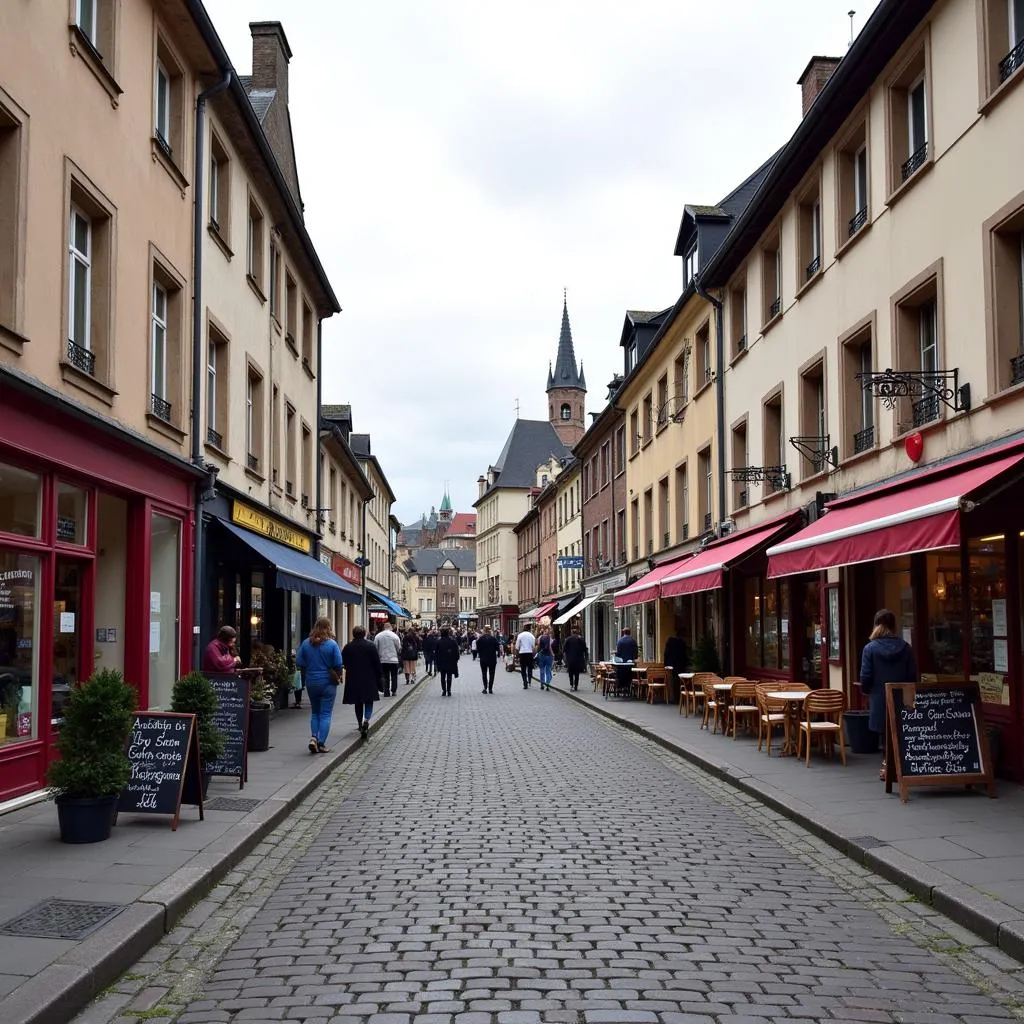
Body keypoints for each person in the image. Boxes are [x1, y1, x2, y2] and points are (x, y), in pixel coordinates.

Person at [859, 608, 918, 780]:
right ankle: (904, 765)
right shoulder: (906, 648)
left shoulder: (870, 649)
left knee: (885, 735)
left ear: (876, 626)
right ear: (893, 626)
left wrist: (866, 691)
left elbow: (866, 676)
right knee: (902, 732)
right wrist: (910, 700)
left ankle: (887, 766)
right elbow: (912, 676)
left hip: (880, 698)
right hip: (903, 696)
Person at [295, 617, 343, 754]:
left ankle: (313, 737)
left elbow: (299, 662)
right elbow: (338, 664)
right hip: (327, 682)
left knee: (315, 712)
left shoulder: (306, 643)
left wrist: (311, 665)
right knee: (326, 713)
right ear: (329, 628)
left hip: (311, 681)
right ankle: (321, 743)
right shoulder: (332, 644)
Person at [341, 625, 383, 741]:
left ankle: (360, 723)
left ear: (353, 634)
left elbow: (343, 661)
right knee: (368, 701)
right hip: (369, 678)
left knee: (358, 702)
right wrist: (379, 676)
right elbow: (376, 663)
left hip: (354, 678)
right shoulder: (370, 646)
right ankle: (367, 720)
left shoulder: (348, 647)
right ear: (364, 634)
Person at [374, 618, 402, 697]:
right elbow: (398, 647)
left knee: (385, 676)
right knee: (394, 676)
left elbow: (375, 647)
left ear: (384, 627)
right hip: (393, 659)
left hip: (383, 659)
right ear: (390, 627)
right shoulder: (395, 636)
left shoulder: (378, 636)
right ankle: (393, 690)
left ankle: (386, 691)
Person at [435, 625, 460, 697]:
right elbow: (456, 652)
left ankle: (444, 691)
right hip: (450, 661)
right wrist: (456, 659)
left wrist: (437, 662)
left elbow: (436, 653)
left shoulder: (438, 642)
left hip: (442, 662)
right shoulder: (453, 641)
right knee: (449, 676)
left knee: (442, 676)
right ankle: (449, 690)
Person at [476, 624, 500, 693]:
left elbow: (477, 648)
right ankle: (490, 688)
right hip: (492, 659)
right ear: (490, 631)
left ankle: (485, 688)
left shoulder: (480, 639)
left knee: (484, 673)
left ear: (484, 630)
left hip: (483, 659)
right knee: (492, 673)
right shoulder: (493, 639)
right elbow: (497, 648)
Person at [562, 625, 588, 691]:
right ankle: (576, 685)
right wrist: (585, 659)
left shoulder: (568, 639)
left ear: (571, 632)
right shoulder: (580, 639)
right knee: (577, 673)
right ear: (577, 633)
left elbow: (564, 649)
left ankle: (571, 685)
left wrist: (565, 658)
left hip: (570, 659)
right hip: (578, 660)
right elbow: (585, 649)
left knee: (570, 673)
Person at [615, 627, 639, 696]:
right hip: (630, 664)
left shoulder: (620, 641)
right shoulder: (633, 641)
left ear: (623, 633)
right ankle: (628, 688)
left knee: (621, 676)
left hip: (621, 664)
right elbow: (635, 653)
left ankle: (620, 688)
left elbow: (618, 653)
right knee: (629, 676)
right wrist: (634, 658)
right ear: (630, 632)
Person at [536, 626, 554, 691]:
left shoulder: (539, 638)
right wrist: (553, 654)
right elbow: (550, 647)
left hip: (541, 655)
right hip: (548, 655)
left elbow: (538, 646)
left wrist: (537, 653)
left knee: (542, 670)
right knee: (548, 670)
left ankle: (542, 684)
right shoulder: (550, 638)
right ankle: (547, 684)